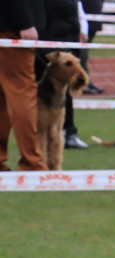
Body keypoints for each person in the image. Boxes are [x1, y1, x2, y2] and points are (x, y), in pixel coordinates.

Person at [0, 0, 48, 171]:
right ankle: (31, 163)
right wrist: (24, 22)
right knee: (23, 94)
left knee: (3, 98)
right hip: (12, 29)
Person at [36, 0, 89, 149]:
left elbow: (78, 8)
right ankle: (38, 137)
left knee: (65, 91)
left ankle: (68, 132)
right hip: (45, 41)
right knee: (39, 92)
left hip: (68, 40)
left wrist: (83, 28)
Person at [79, 0, 105, 94]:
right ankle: (85, 82)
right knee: (81, 56)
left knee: (82, 55)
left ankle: (86, 82)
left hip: (91, 23)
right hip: (84, 23)